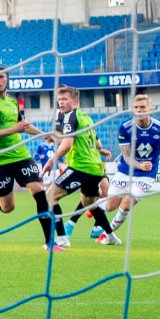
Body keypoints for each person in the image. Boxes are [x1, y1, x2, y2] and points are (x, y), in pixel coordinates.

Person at [0, 65, 64, 251]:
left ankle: (50, 242)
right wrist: (14, 130)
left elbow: (22, 125)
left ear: (7, 78)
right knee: (8, 207)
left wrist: (44, 135)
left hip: (20, 154)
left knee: (38, 189)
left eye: (1, 77)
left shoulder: (13, 101)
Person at [41, 85, 118, 246]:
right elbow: (97, 143)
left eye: (64, 99)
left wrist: (50, 161)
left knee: (50, 196)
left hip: (80, 166)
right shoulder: (87, 118)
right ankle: (110, 236)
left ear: (75, 100)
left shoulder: (70, 117)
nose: (61, 103)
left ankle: (62, 238)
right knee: (89, 203)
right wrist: (102, 151)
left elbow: (68, 144)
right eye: (59, 100)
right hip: (96, 168)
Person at [103, 94, 160, 233]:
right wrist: (140, 165)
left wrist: (149, 165)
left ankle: (107, 234)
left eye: (142, 107)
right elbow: (126, 156)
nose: (139, 110)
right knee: (110, 207)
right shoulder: (125, 128)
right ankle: (95, 207)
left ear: (150, 108)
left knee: (126, 205)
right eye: (136, 107)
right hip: (125, 170)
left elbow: (158, 149)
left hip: (147, 174)